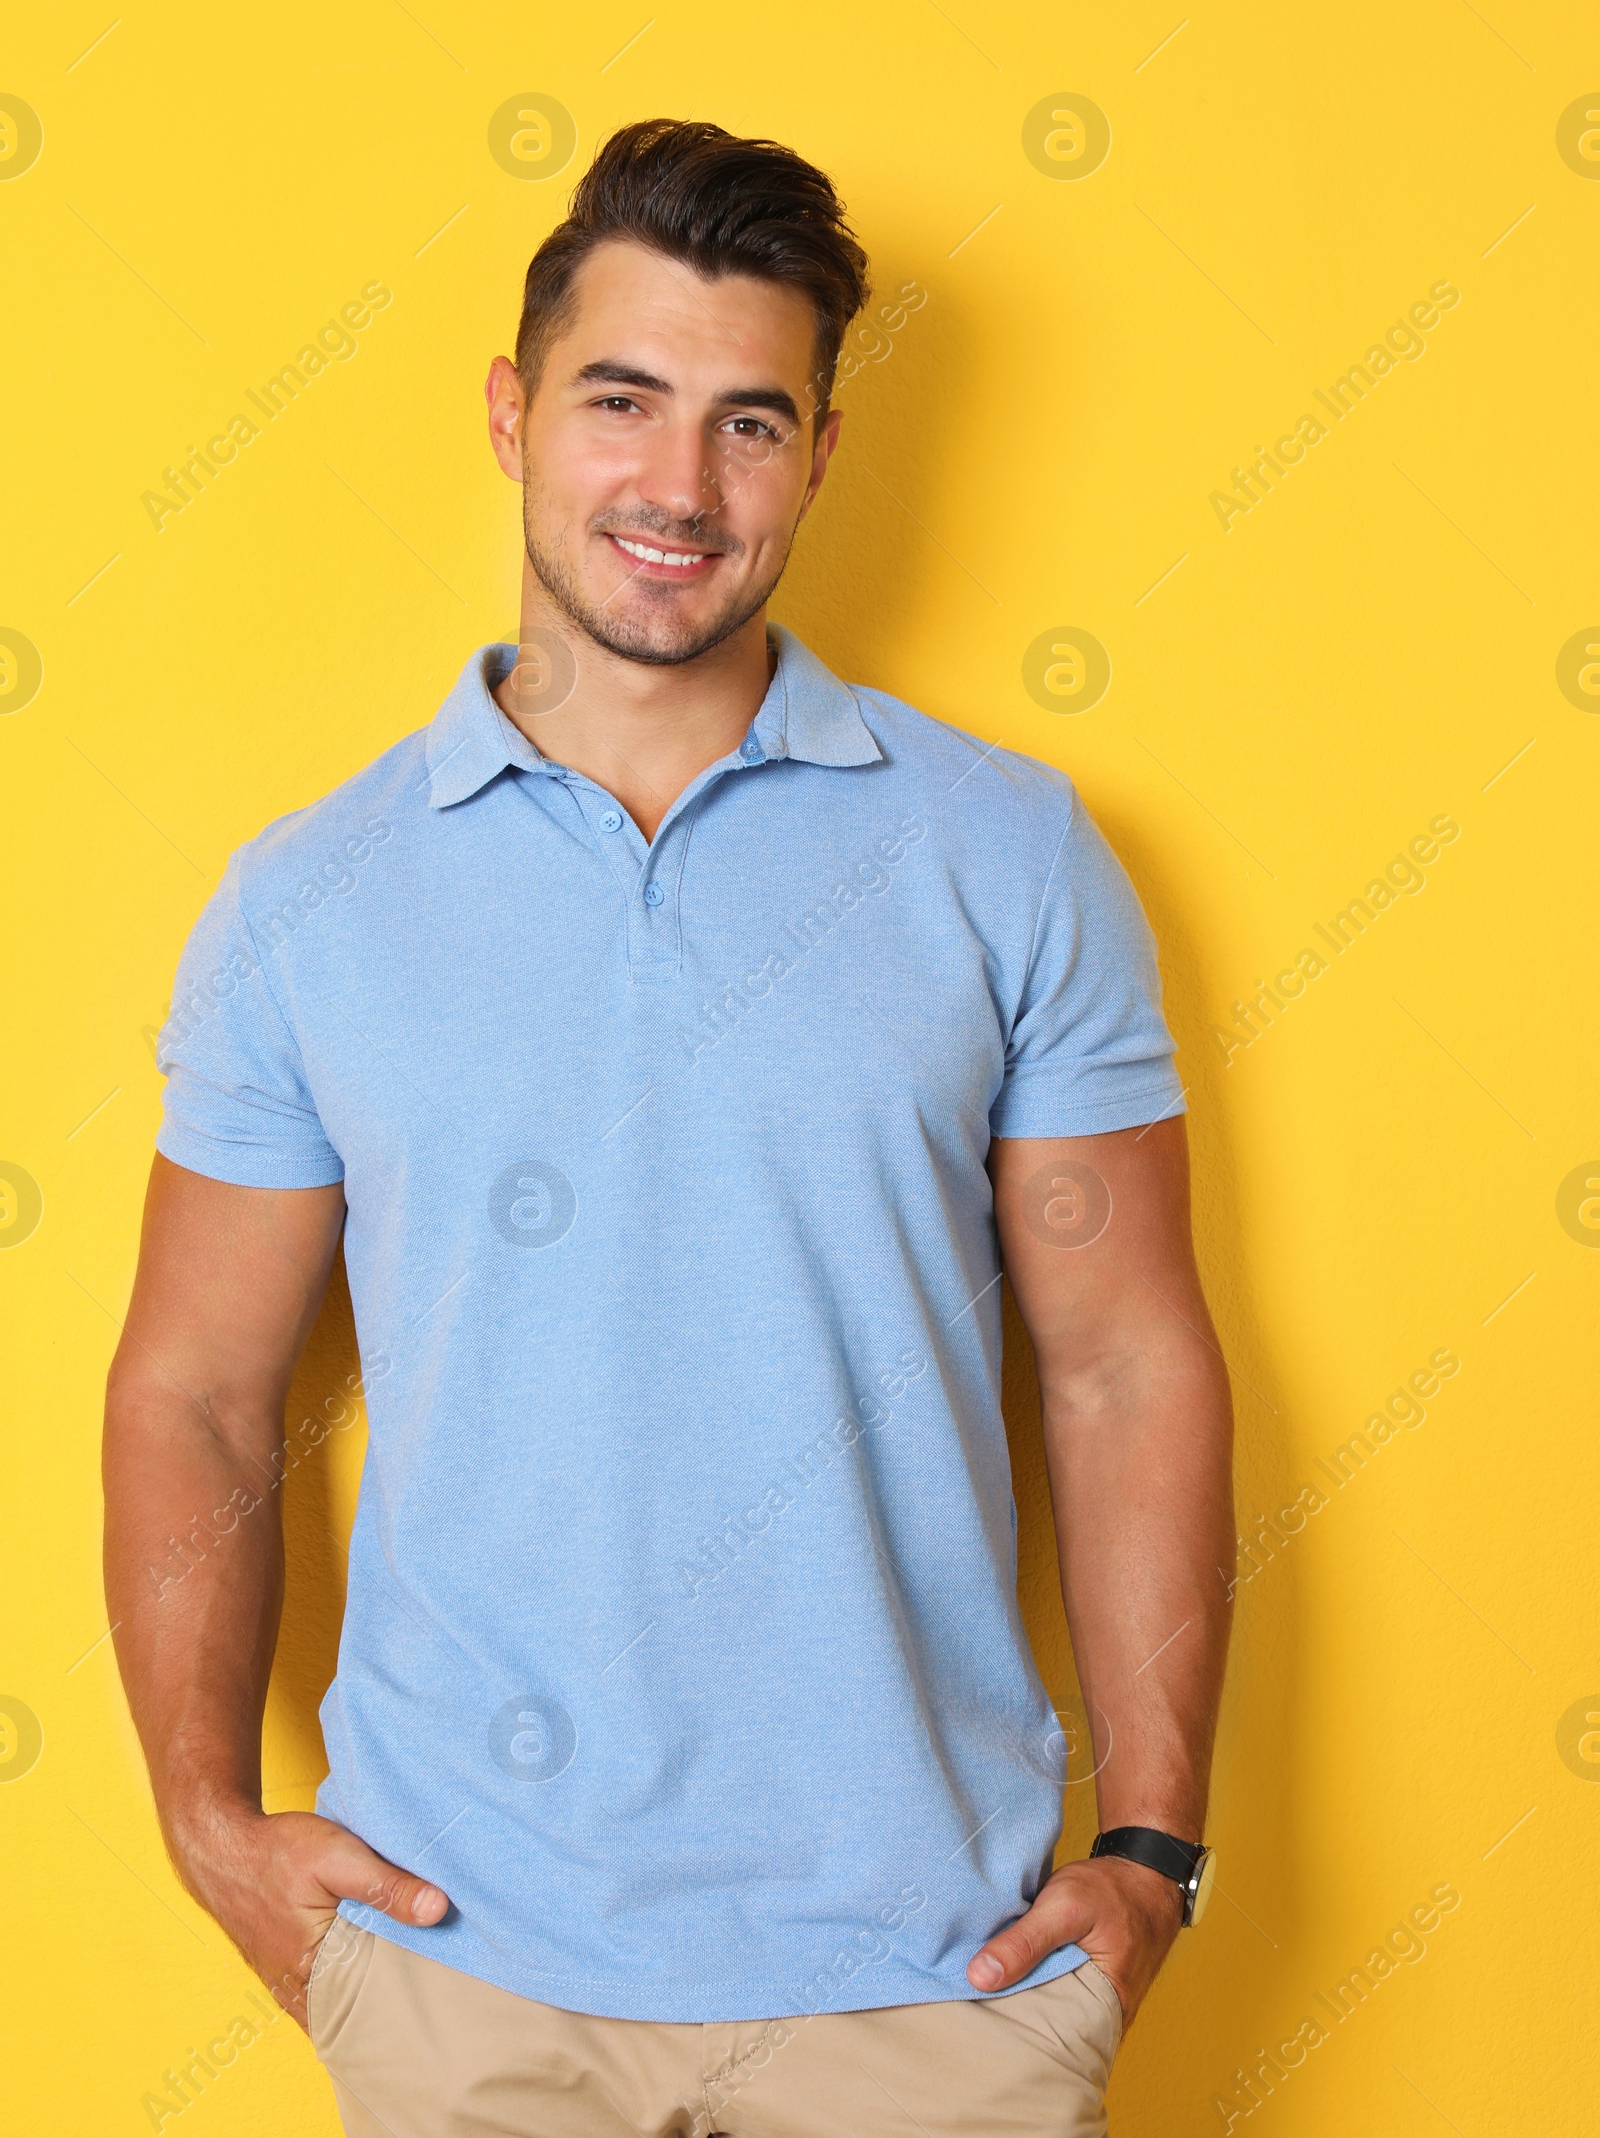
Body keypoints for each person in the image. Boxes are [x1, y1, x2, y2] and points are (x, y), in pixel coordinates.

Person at [104, 118, 1234, 2138]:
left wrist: (1149, 1853)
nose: (676, 488)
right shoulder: (309, 900)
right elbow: (193, 1385)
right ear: (511, 414)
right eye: (620, 403)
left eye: (749, 424)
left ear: (815, 456)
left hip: (931, 1982)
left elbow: (1125, 1357)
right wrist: (206, 1824)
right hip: (463, 1973)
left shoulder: (1001, 854)